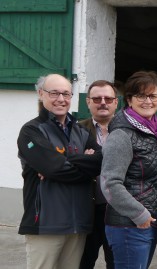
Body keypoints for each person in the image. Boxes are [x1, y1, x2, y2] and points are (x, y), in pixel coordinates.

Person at [17, 74, 102, 269]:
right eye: (54, 93)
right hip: (46, 225)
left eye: (66, 93)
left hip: (78, 224)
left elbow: (99, 162)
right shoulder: (31, 131)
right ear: (41, 94)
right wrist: (83, 164)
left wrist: (65, 161)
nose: (61, 99)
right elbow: (54, 168)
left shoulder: (82, 132)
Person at [100, 71, 157, 268]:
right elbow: (110, 183)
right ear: (129, 99)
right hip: (129, 225)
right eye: (140, 96)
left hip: (147, 223)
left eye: (153, 96)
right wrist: (140, 214)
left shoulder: (154, 132)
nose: (148, 101)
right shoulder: (122, 134)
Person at [79, 80, 118, 269]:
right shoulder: (76, 130)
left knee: (116, 263)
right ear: (88, 102)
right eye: (97, 98)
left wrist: (89, 161)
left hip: (118, 210)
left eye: (108, 98)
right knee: (84, 261)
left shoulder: (127, 130)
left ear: (116, 102)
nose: (103, 102)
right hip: (87, 209)